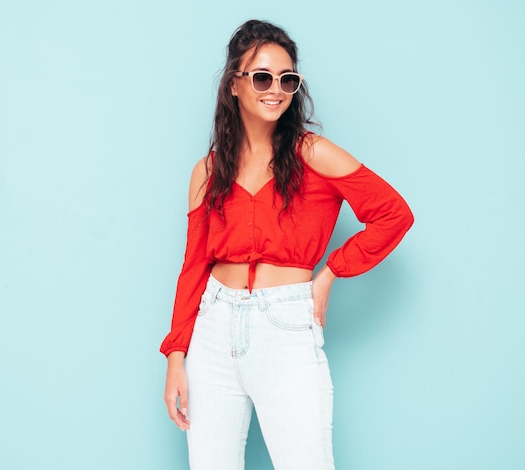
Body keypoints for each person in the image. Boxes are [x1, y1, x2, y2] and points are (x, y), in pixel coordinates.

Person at [160, 19, 413, 470]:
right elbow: (193, 267)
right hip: (213, 330)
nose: (275, 89)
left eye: (287, 79)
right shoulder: (207, 171)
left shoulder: (312, 153)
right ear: (234, 85)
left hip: (286, 326)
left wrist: (331, 272)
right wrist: (176, 356)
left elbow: (393, 214)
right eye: (261, 77)